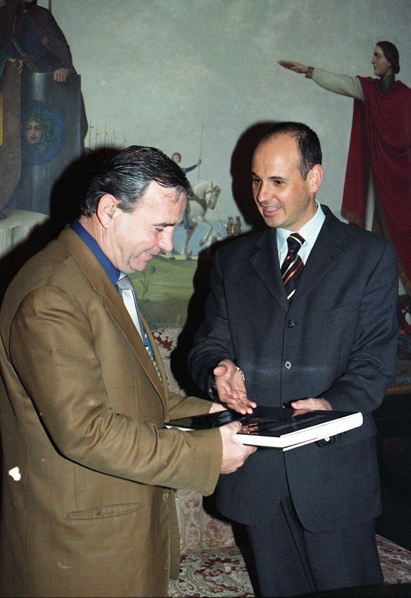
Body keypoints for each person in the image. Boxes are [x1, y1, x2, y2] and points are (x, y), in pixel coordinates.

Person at [0, 145, 255, 598]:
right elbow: (85, 432)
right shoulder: (52, 294)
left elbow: (139, 398)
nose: (168, 245)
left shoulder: (104, 278)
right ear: (108, 211)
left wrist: (218, 415)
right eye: (160, 227)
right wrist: (206, 454)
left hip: (118, 539)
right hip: (80, 553)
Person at [188, 122, 398, 597]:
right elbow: (206, 345)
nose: (262, 195)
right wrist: (218, 369)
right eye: (256, 180)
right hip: (257, 478)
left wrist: (330, 406)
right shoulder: (231, 261)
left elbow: (374, 363)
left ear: (314, 178)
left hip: (335, 477)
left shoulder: (369, 257)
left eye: (277, 181)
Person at [278, 42, 411, 298]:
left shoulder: (406, 97)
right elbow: (342, 83)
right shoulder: (370, 90)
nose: (372, 61)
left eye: (378, 56)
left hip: (400, 182)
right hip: (376, 179)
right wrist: (308, 70)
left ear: (391, 61)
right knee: (372, 231)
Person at [0, 0, 87, 138]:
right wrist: (8, 61)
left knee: (53, 124)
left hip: (45, 80)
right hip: (14, 80)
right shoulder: (2, 17)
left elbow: (59, 48)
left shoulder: (42, 15)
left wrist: (63, 67)